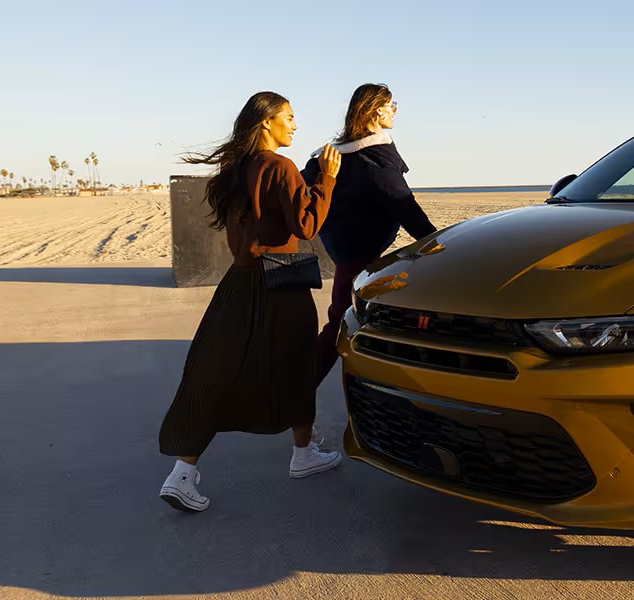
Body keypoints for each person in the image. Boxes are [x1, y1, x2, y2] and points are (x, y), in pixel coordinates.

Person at [158, 91, 344, 512]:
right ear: (266, 123)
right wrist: (328, 178)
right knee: (295, 363)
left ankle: (184, 471)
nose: (295, 125)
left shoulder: (236, 169)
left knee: (217, 370)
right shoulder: (279, 165)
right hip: (282, 274)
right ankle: (302, 455)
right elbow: (307, 221)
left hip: (241, 279)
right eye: (289, 117)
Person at [306, 83, 436, 383]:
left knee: (348, 321)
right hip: (358, 258)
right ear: (377, 110)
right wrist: (437, 242)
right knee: (341, 323)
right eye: (392, 106)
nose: (395, 112)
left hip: (346, 252)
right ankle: (297, 391)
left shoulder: (332, 155)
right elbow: (405, 206)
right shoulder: (375, 157)